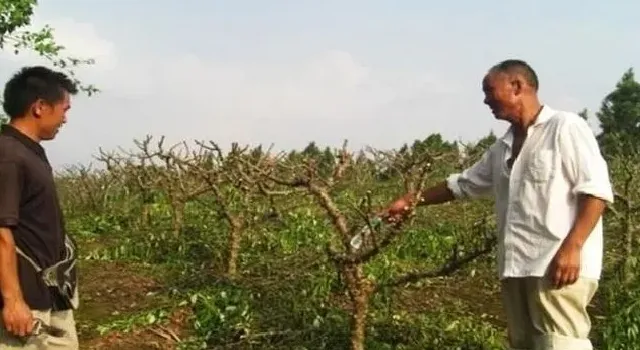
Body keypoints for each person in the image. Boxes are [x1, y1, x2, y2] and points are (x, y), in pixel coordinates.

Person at [382, 59, 613, 350]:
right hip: (517, 266)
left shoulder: (564, 127)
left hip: (557, 262)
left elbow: (595, 191)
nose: (485, 100)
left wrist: (573, 247)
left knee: (561, 343)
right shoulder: (501, 147)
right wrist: (410, 201)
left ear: (517, 86)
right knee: (524, 343)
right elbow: (462, 184)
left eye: (490, 90)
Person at [0, 66, 80, 349]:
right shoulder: (9, 155)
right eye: (64, 109)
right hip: (26, 305)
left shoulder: (29, 152)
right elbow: (1, 233)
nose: (65, 119)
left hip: (49, 294)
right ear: (40, 107)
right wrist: (13, 301)